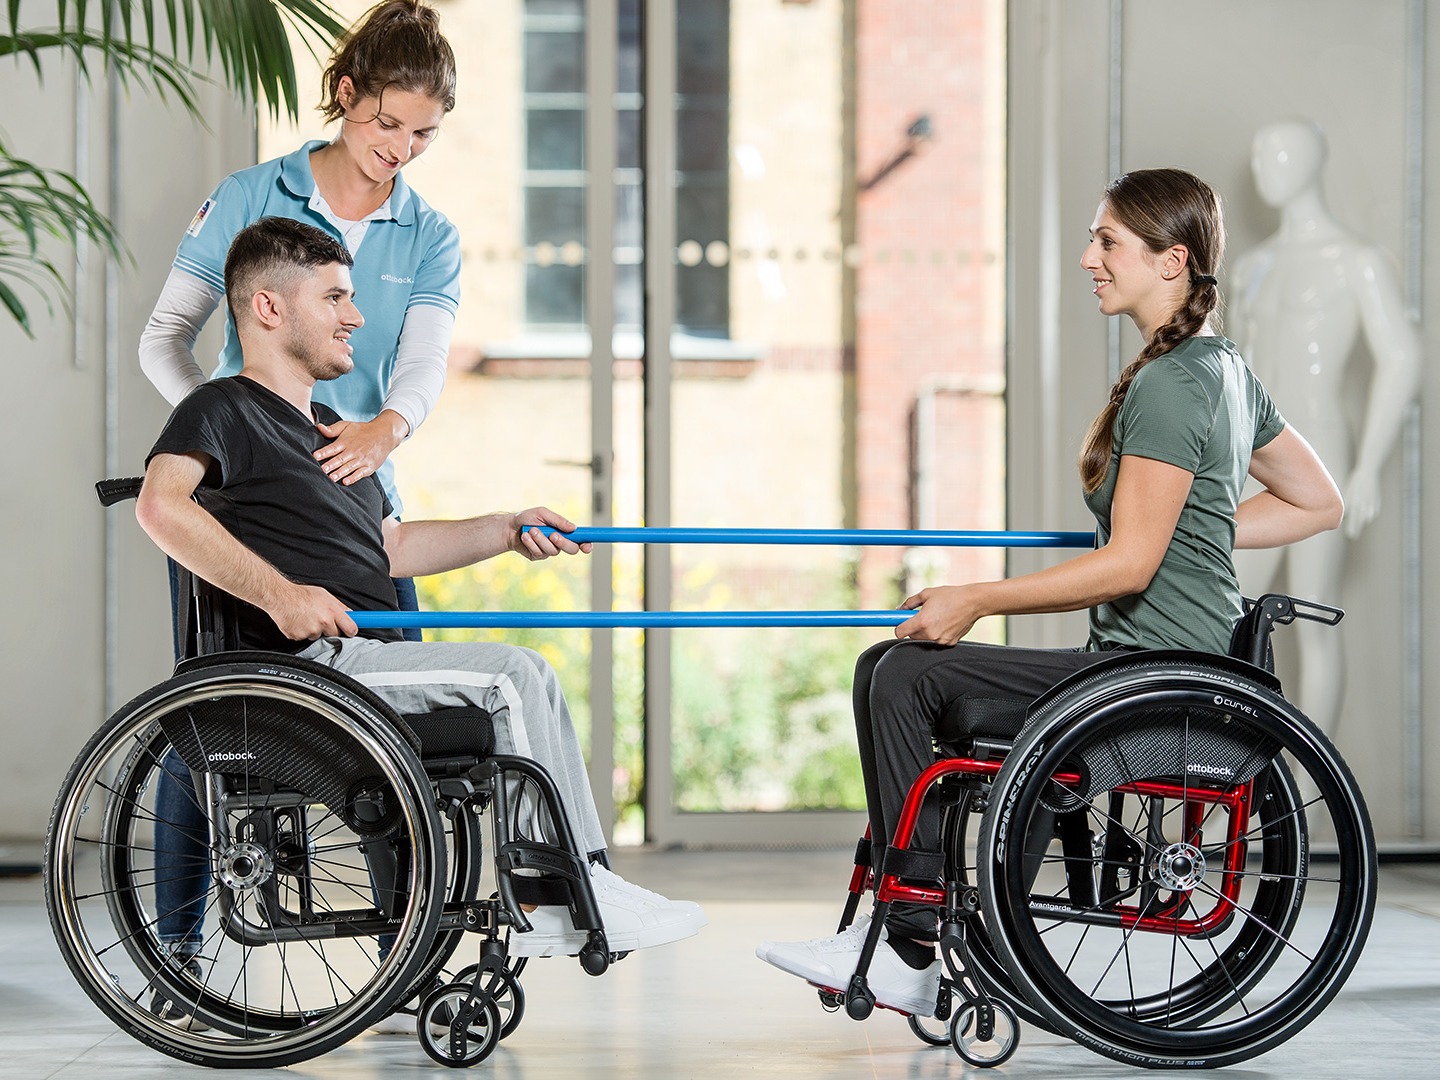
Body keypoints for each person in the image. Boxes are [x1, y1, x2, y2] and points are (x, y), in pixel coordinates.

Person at [756, 168, 1344, 1018]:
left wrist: (977, 598)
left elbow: (1129, 566)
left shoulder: (1175, 382)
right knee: (893, 666)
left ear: (1170, 259)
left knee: (902, 675)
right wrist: (1198, 522)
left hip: (1146, 675)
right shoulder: (1223, 369)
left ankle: (909, 936)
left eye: (1107, 241)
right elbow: (1317, 501)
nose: (1087, 259)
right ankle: (906, 930)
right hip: (1166, 664)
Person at [136, 218, 705, 1019]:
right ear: (267, 307)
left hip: (352, 670)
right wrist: (281, 596)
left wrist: (506, 529)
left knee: (522, 675)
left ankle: (573, 886)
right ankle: (566, 893)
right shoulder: (223, 407)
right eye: (334, 296)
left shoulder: (334, 436)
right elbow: (161, 508)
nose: (355, 316)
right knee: (516, 674)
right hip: (302, 678)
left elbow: (390, 548)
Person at [140, 0, 462, 634]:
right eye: (386, 123)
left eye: (423, 133)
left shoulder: (431, 237)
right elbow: (163, 340)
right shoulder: (247, 196)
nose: (401, 148)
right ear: (346, 94)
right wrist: (241, 434)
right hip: (254, 505)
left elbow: (423, 363)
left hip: (360, 496)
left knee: (400, 702)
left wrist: (386, 431)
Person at [1229, 118, 1422, 737]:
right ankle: (1229, 779)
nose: (1265, 168)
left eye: (1279, 155)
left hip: (1322, 448)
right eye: (1259, 156)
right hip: (1251, 456)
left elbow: (1404, 357)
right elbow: (1231, 367)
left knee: (1313, 621)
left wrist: (1367, 466)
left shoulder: (1357, 261)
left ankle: (1312, 804)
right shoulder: (1251, 267)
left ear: (1313, 163)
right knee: (1230, 617)